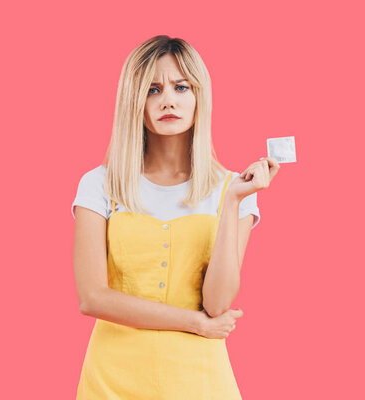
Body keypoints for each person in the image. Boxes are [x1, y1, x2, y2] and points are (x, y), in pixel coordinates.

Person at [71, 35, 280, 399]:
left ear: (199, 96)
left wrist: (231, 203)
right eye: (152, 90)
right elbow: (92, 297)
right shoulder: (100, 184)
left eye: (181, 87)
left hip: (199, 382)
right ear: (134, 101)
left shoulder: (233, 190)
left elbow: (217, 304)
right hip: (112, 380)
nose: (168, 99)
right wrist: (195, 323)